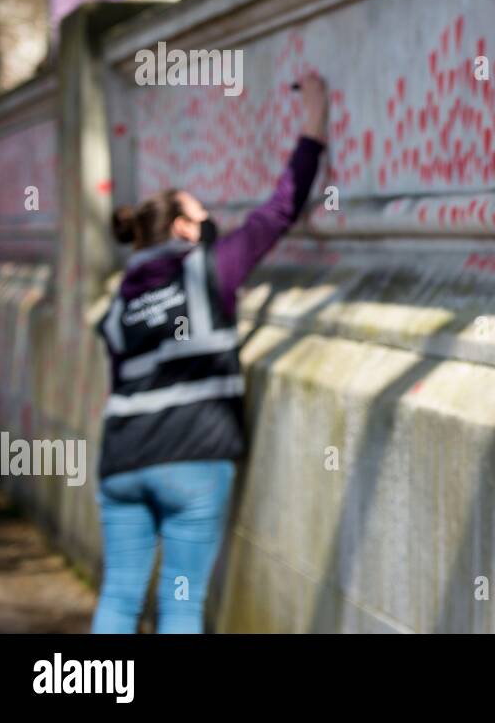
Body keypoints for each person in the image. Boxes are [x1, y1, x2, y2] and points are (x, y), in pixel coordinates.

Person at [91, 72, 330, 633]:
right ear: (182, 227)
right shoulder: (208, 269)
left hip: (122, 461)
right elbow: (278, 210)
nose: (211, 224)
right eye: (202, 217)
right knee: (180, 605)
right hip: (192, 458)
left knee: (120, 599)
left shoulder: (118, 300)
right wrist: (313, 121)